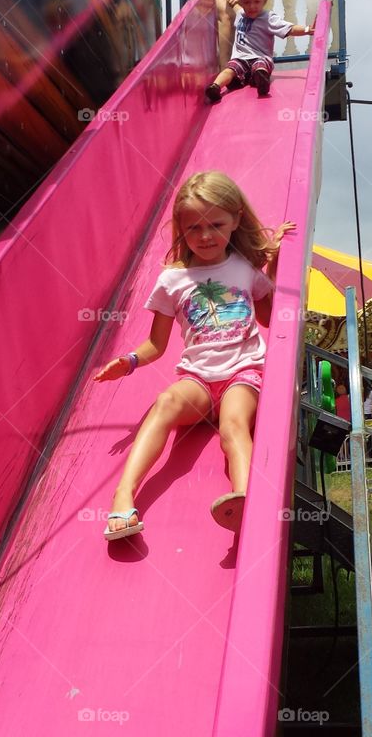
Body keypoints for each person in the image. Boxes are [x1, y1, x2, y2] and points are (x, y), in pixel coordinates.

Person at [95, 172, 294, 539]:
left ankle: (246, 498)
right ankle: (123, 495)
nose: (205, 236)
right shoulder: (173, 280)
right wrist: (130, 362)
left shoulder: (244, 268)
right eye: (193, 228)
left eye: (215, 225)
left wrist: (276, 260)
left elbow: (267, 317)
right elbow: (156, 345)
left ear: (236, 219)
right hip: (199, 380)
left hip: (242, 373)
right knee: (166, 401)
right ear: (181, 230)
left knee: (233, 424)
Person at [204, 0, 315, 102]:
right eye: (247, 2)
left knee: (260, 66)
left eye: (256, 2)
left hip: (260, 57)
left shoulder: (268, 18)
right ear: (241, 1)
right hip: (240, 59)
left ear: (264, 1)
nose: (252, 6)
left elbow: (290, 28)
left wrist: (307, 30)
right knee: (230, 69)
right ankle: (215, 87)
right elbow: (231, 2)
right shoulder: (240, 14)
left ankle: (261, 81)